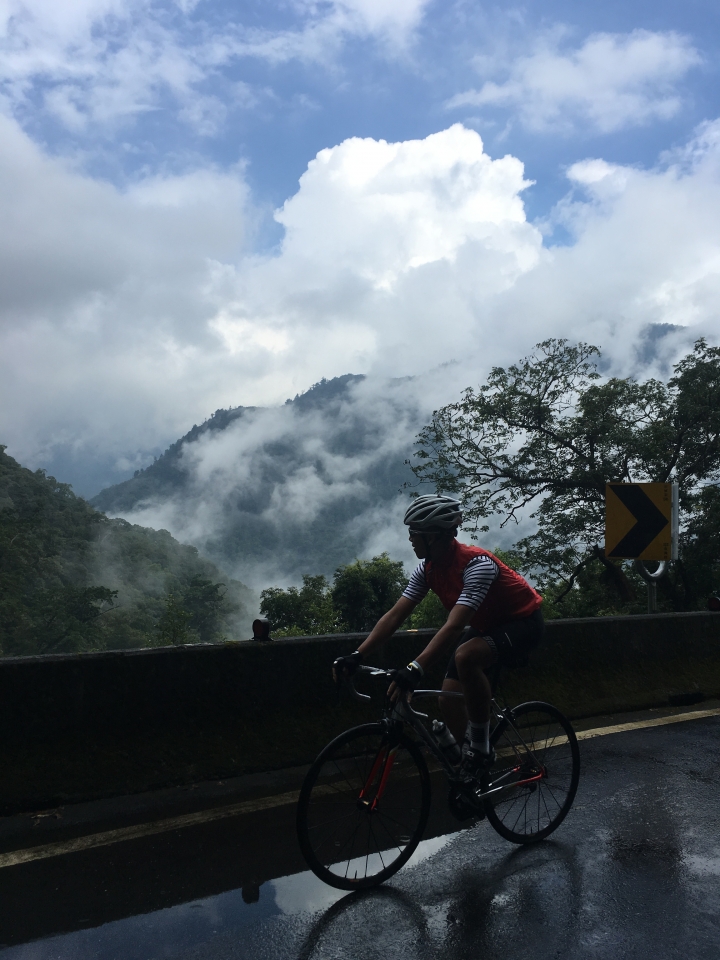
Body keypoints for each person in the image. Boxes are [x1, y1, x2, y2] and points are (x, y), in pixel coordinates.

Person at [333, 495, 544, 783]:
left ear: (433, 536)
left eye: (414, 533)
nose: (410, 539)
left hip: (523, 622)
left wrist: (415, 669)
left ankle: (481, 748)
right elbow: (395, 616)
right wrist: (358, 655)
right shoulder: (428, 569)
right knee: (447, 699)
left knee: (466, 656)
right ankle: (470, 765)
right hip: (487, 626)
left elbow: (455, 625)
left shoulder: (476, 565)